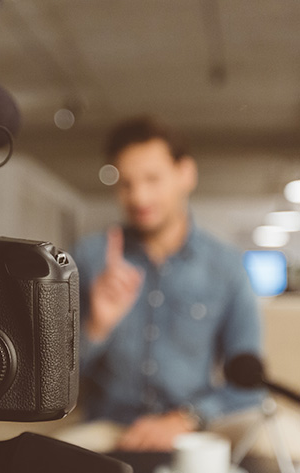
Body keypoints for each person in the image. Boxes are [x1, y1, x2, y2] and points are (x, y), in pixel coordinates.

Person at [69, 116, 263, 452]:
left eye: (152, 179)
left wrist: (186, 419)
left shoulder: (226, 266)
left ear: (186, 174)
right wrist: (96, 328)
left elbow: (249, 384)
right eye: (126, 183)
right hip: (108, 430)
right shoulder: (89, 258)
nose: (139, 196)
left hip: (191, 431)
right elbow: (53, 379)